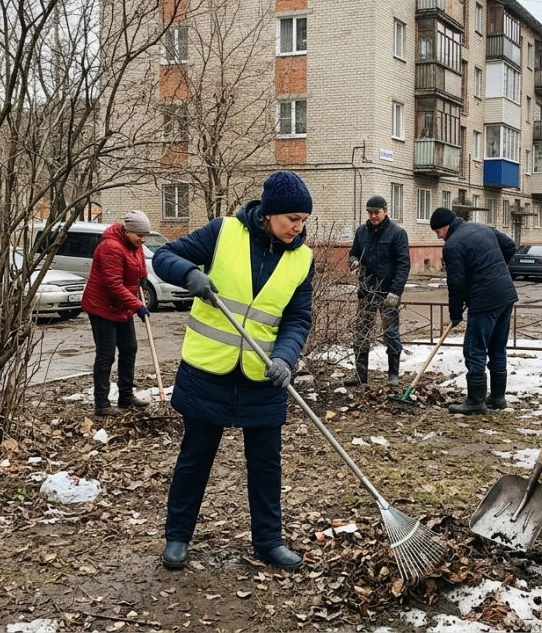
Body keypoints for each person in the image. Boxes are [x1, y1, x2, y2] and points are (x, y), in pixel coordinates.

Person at [151, 170, 314, 571]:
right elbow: (163, 256)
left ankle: (268, 542)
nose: (298, 227)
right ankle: (177, 537)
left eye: (304, 220)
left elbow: (298, 318)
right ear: (270, 213)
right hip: (209, 371)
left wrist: (286, 358)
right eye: (292, 218)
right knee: (195, 457)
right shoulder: (223, 232)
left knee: (265, 464)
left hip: (263, 376)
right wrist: (189, 274)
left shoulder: (302, 259)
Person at [429, 207, 518, 415]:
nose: (439, 237)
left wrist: (455, 313)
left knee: (475, 348)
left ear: (445, 226)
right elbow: (510, 246)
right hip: (506, 295)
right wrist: (495, 269)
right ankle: (497, 397)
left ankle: (476, 401)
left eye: (437, 232)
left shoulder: (452, 245)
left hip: (484, 300)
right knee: (497, 346)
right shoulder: (482, 227)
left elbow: (456, 283)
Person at [80, 210, 153, 417]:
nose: (143, 239)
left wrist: (143, 278)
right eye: (140, 235)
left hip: (122, 307)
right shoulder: (109, 248)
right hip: (102, 307)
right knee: (106, 355)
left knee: (129, 348)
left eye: (145, 235)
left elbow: (139, 266)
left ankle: (126, 396)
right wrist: (137, 305)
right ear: (128, 231)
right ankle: (101, 404)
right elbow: (113, 285)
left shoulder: (134, 245)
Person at [344, 195, 411, 387]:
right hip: (366, 291)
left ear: (385, 211)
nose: (373, 216)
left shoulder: (397, 233)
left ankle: (393, 374)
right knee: (361, 333)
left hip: (388, 293)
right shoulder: (361, 232)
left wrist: (396, 291)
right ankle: (360, 374)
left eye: (377, 212)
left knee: (390, 333)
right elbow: (354, 252)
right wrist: (353, 261)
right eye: (370, 212)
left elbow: (403, 264)